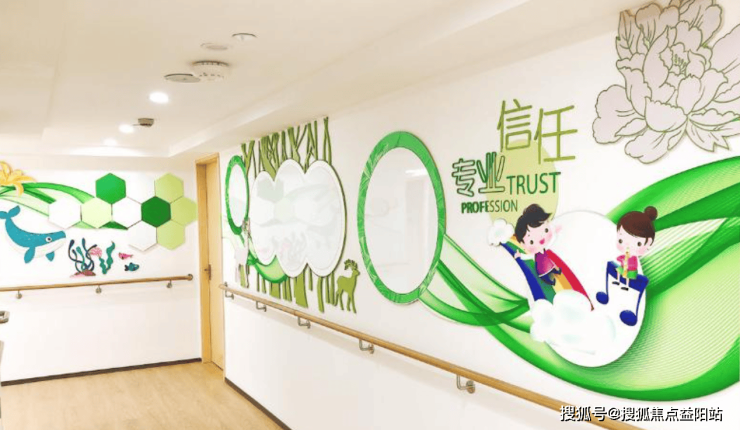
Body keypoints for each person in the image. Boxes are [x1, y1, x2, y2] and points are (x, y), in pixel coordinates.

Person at [514, 204, 561, 286]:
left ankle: (556, 271)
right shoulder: (536, 254)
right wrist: (520, 255)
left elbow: (551, 242)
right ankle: (550, 282)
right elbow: (528, 256)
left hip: (548, 263)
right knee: (544, 276)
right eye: (531, 241)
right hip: (541, 268)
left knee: (551, 266)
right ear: (523, 244)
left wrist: (554, 232)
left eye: (546, 230)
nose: (540, 239)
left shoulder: (545, 248)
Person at [614, 206, 658, 285]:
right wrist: (622, 260)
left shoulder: (633, 258)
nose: (627, 246)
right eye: (621, 240)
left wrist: (626, 263)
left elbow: (633, 265)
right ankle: (617, 280)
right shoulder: (626, 255)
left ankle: (627, 285)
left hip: (631, 271)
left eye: (638, 244)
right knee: (618, 271)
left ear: (648, 243)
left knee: (627, 276)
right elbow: (621, 258)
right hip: (624, 268)